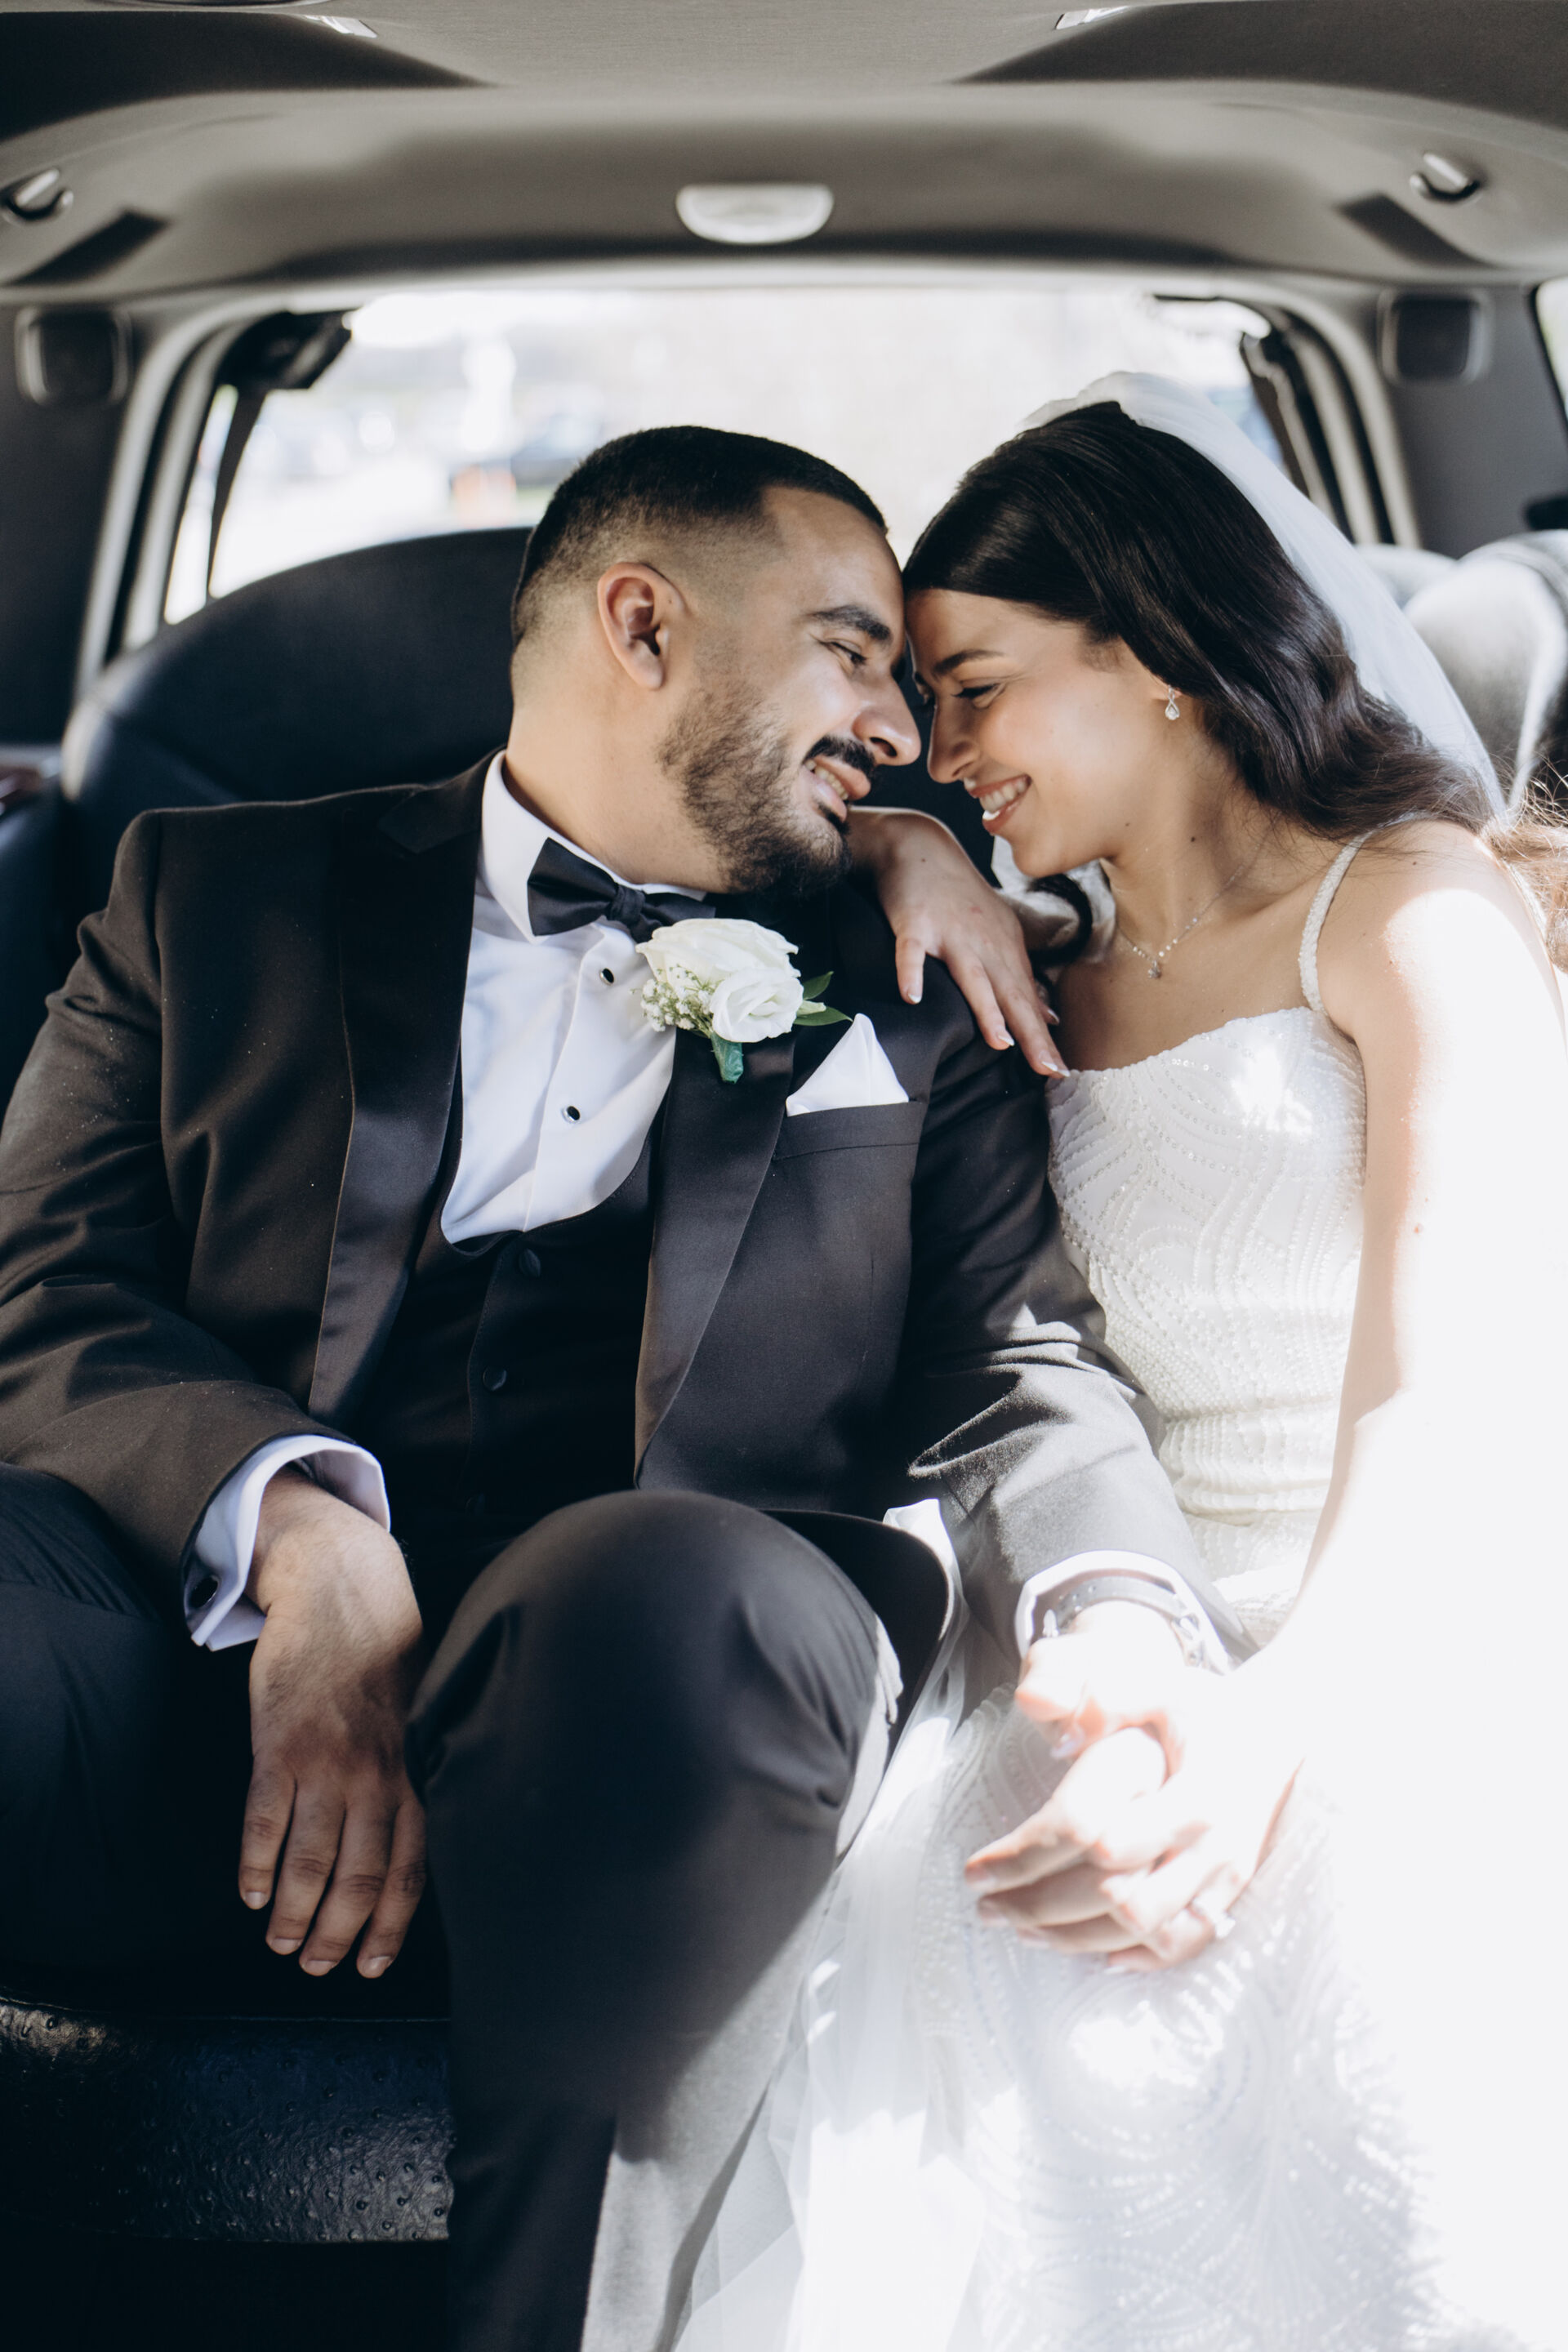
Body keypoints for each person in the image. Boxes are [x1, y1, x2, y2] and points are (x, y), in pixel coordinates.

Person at [0, 424, 1244, 2352]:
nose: (901, 732)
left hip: (667, 1720)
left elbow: (1016, 1358)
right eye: (852, 656)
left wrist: (1127, 1619)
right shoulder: (212, 893)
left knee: (667, 1599)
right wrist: (302, 1532)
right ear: (643, 626)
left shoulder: (918, 956)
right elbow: (45, 1290)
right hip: (197, 1686)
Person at [677, 380, 1568, 2350]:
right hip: (1116, 1616)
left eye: (976, 689)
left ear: (1159, 655)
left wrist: (1276, 1725)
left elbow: (1454, 1401)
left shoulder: (1410, 915)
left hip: (1412, 1595)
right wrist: (902, 848)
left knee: (1364, 1962)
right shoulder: (1027, 960)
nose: (942, 750)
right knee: (967, 1930)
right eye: (922, 705)